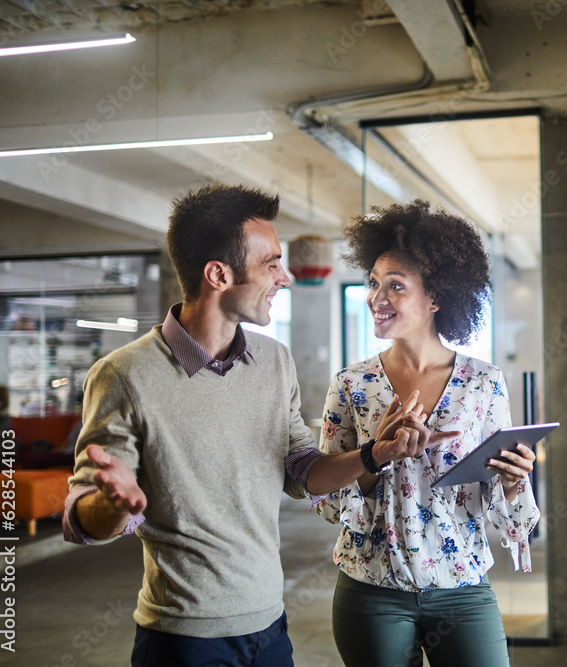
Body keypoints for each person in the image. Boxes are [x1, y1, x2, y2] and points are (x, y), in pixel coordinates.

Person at [63, 184, 452, 667]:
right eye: (271, 263)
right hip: (183, 638)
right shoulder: (124, 374)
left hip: (270, 628)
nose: (285, 278)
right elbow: (80, 519)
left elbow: (301, 472)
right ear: (218, 274)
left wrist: (376, 453)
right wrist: (114, 504)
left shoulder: (273, 361)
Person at [316, 200, 541, 667]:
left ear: (436, 296)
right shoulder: (352, 385)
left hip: (462, 590)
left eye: (395, 286)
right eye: (374, 283)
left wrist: (515, 481)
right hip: (371, 588)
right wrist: (374, 455)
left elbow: (509, 517)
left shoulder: (484, 382)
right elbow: (325, 500)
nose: (377, 297)